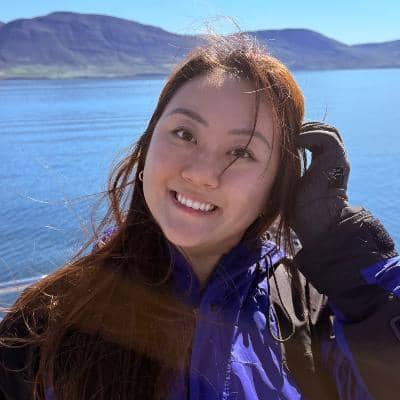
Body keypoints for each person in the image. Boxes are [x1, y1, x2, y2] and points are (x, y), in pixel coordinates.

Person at [0, 33, 399, 400]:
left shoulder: (311, 311)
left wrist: (346, 253)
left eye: (242, 152)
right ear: (147, 146)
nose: (202, 174)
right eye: (185, 134)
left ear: (276, 185)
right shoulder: (44, 325)